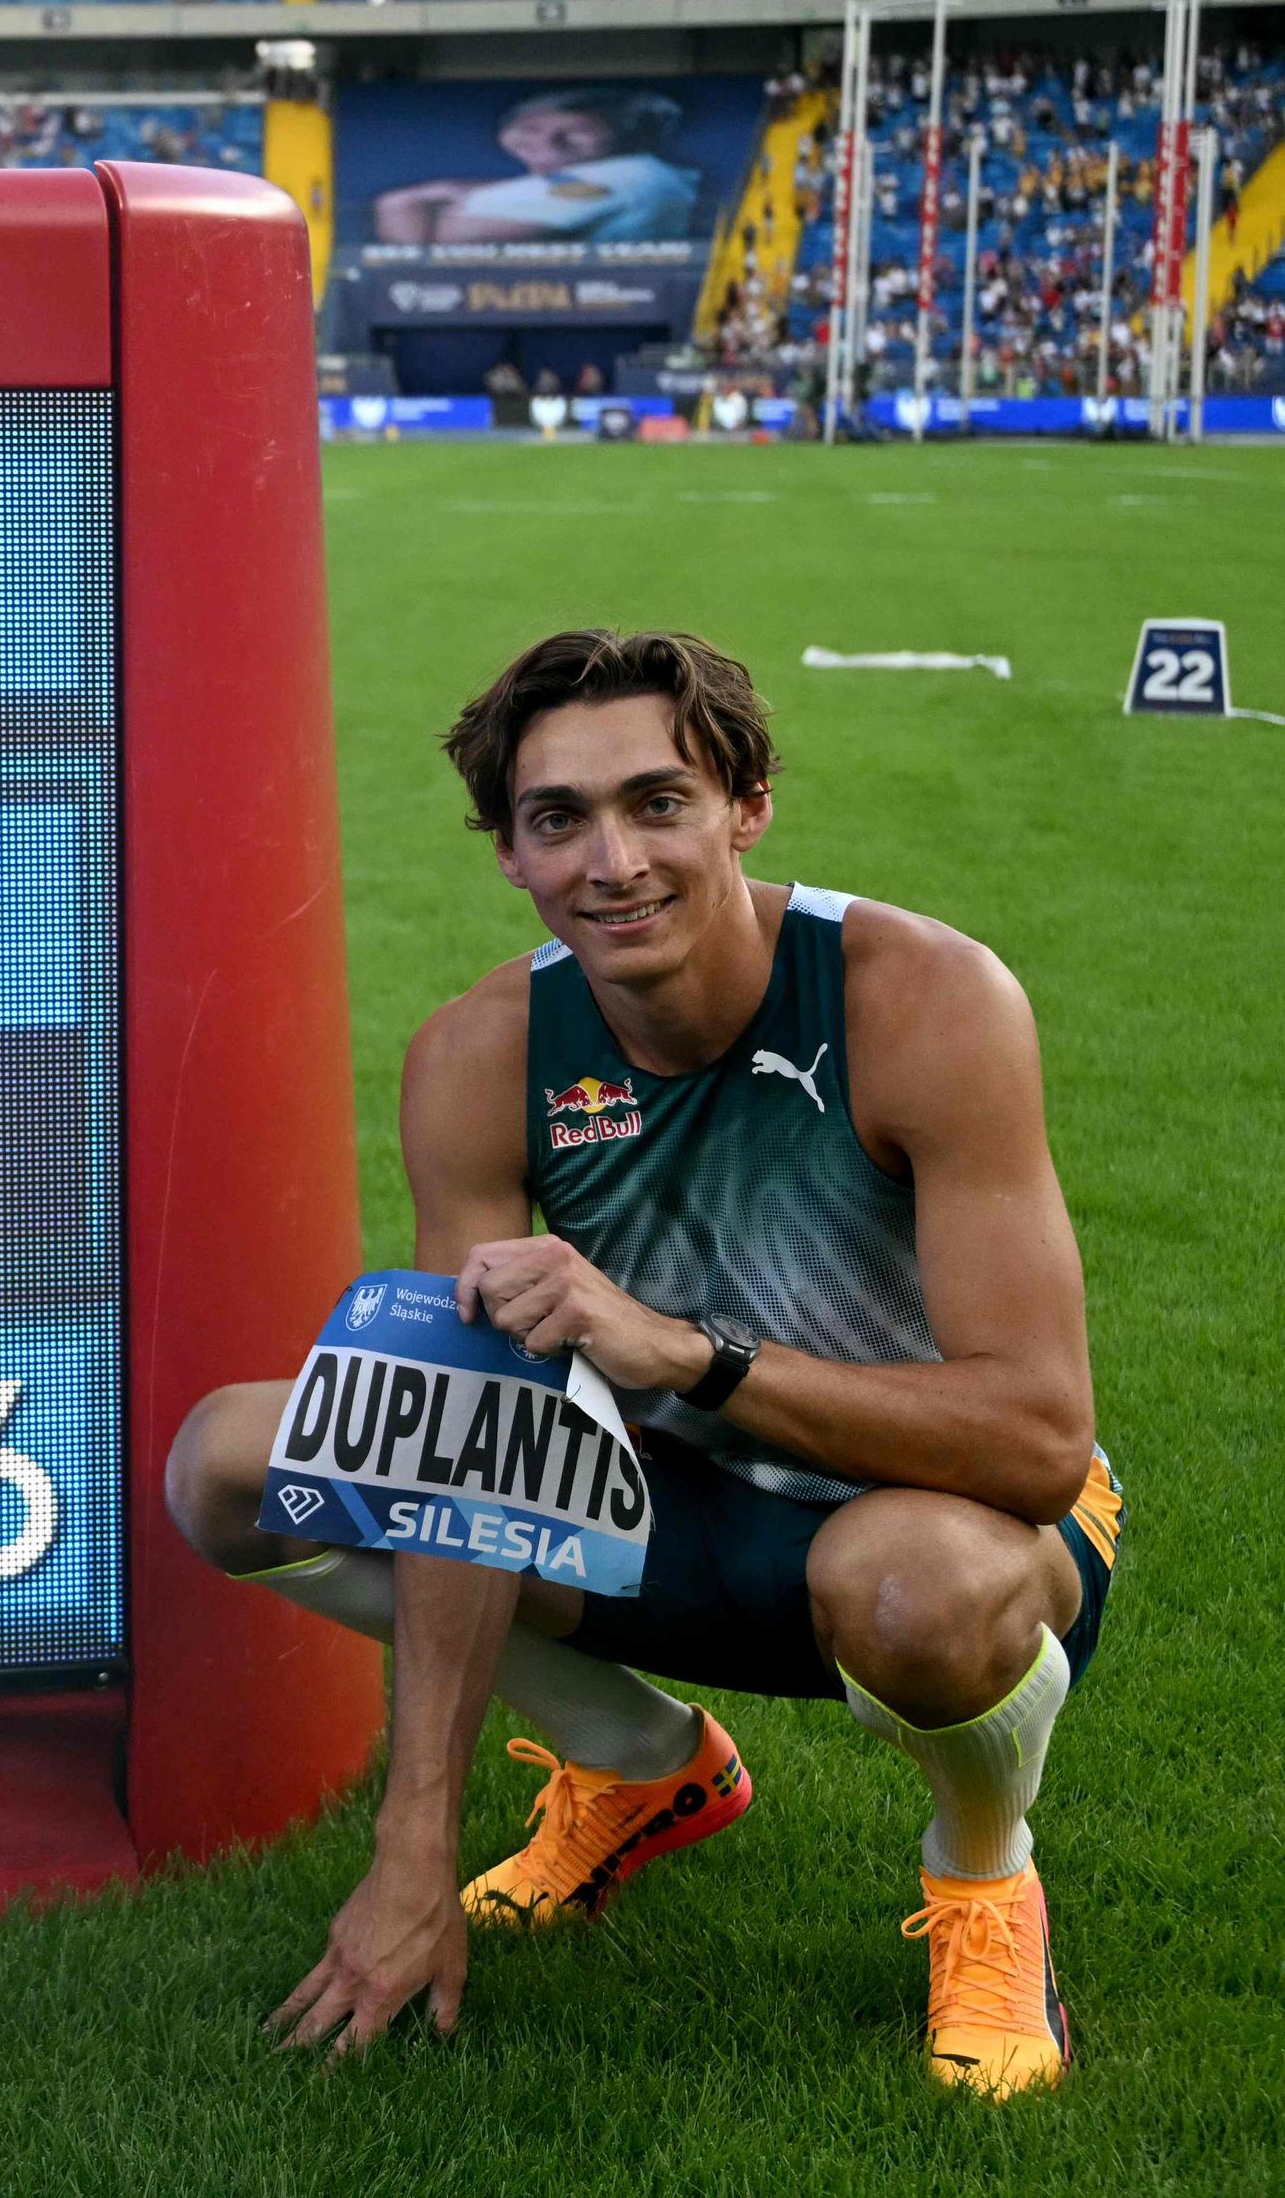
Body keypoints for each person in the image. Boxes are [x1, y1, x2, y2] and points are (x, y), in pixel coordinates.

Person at [163, 630, 1117, 2099]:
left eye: (658, 802)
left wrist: (693, 1354)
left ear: (746, 805)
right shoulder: (483, 1050)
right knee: (236, 1460)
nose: (613, 861)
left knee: (913, 1583)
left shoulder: (922, 998)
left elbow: (1041, 1439)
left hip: (948, 1510)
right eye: (559, 820)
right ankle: (642, 1762)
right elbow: (457, 1446)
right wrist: (410, 1845)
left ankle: (986, 1879)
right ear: (509, 853)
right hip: (671, 1498)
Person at [370, 87, 703, 244]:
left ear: (626, 137)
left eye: (578, 131)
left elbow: (445, 236)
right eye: (530, 131)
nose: (548, 144)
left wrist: (414, 202)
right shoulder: (644, 174)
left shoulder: (626, 173)